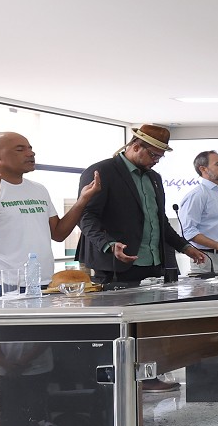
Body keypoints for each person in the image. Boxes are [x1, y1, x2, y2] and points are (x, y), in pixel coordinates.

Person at [0, 131, 101, 426]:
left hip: (42, 288)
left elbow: (58, 232)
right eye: (20, 149)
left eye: (30, 148)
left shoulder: (38, 189)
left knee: (40, 362)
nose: (30, 153)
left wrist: (82, 200)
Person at [77, 124, 207, 393]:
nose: (156, 160)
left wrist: (185, 247)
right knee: (121, 328)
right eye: (153, 155)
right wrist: (108, 244)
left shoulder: (154, 178)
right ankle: (120, 382)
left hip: (150, 263)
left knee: (148, 325)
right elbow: (86, 216)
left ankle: (148, 376)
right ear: (135, 146)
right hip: (115, 265)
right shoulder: (102, 171)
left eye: (160, 156)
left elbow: (159, 222)